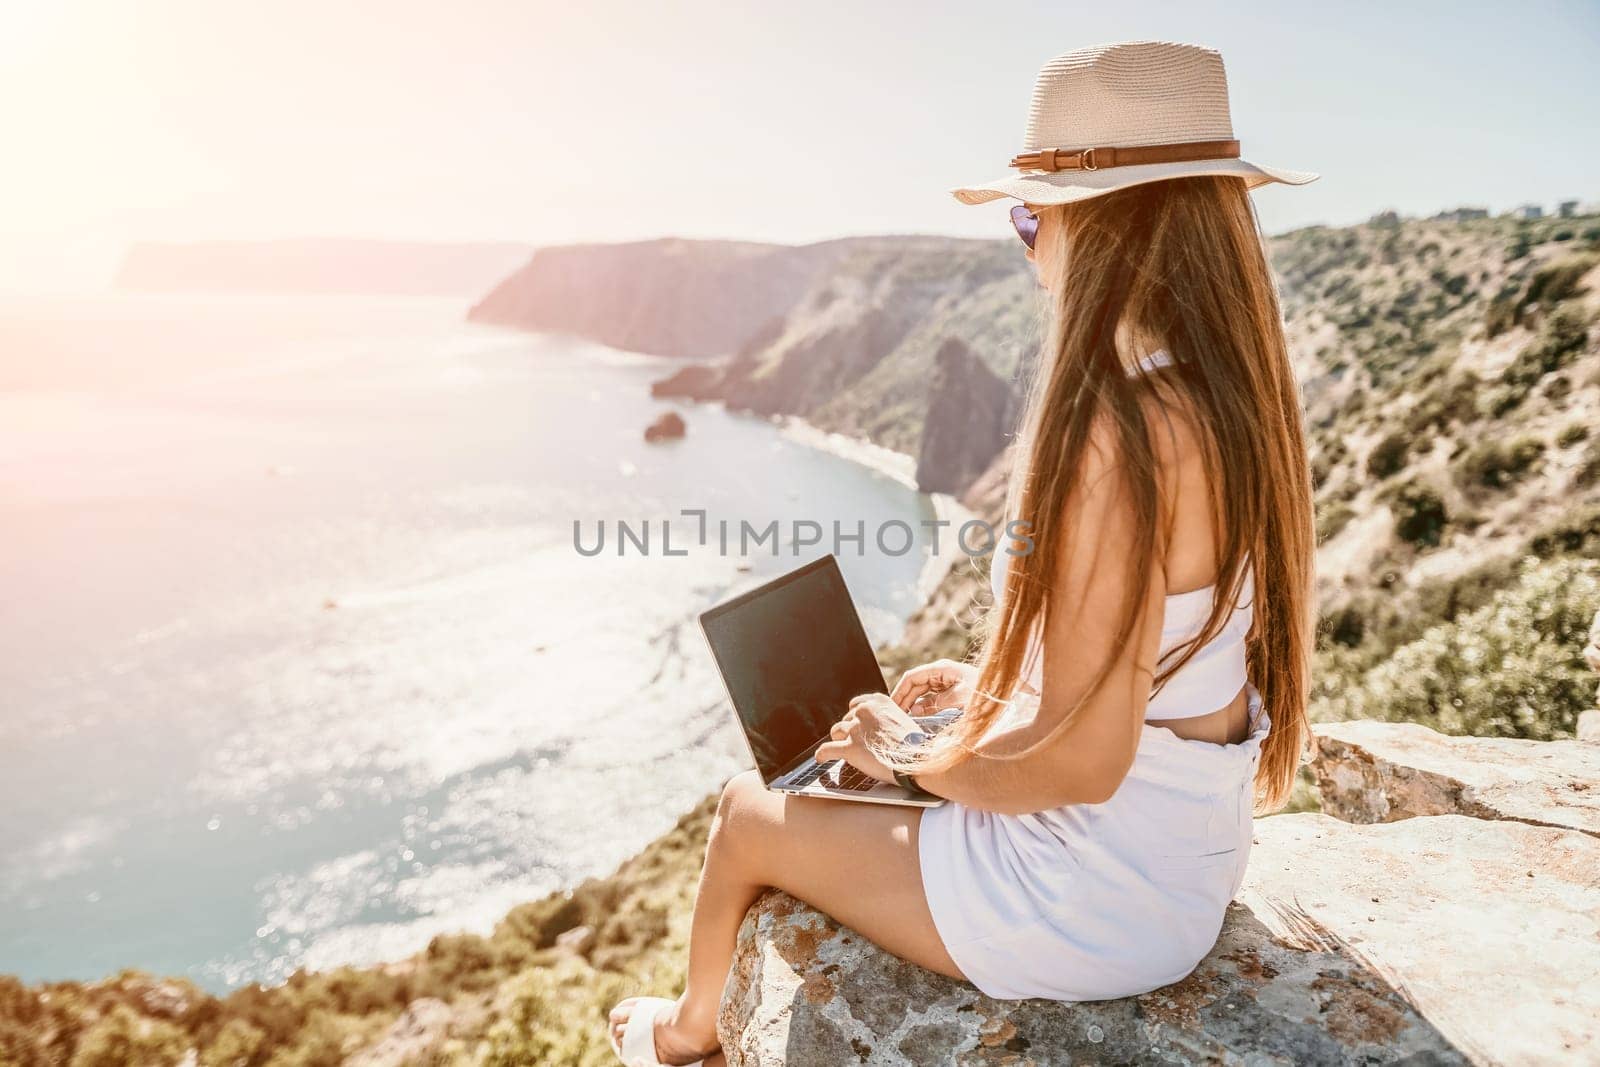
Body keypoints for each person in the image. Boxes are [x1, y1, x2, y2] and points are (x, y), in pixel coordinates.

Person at [609, 39, 1319, 1066]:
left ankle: (680, 1033)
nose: (1027, 250)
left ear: (1100, 222)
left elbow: (1081, 757)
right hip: (1178, 865)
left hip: (1086, 898)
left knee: (747, 812)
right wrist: (994, 689)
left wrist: (910, 749)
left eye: (1029, 217)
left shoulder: (1119, 435)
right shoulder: (1224, 397)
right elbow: (1156, 671)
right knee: (836, 780)